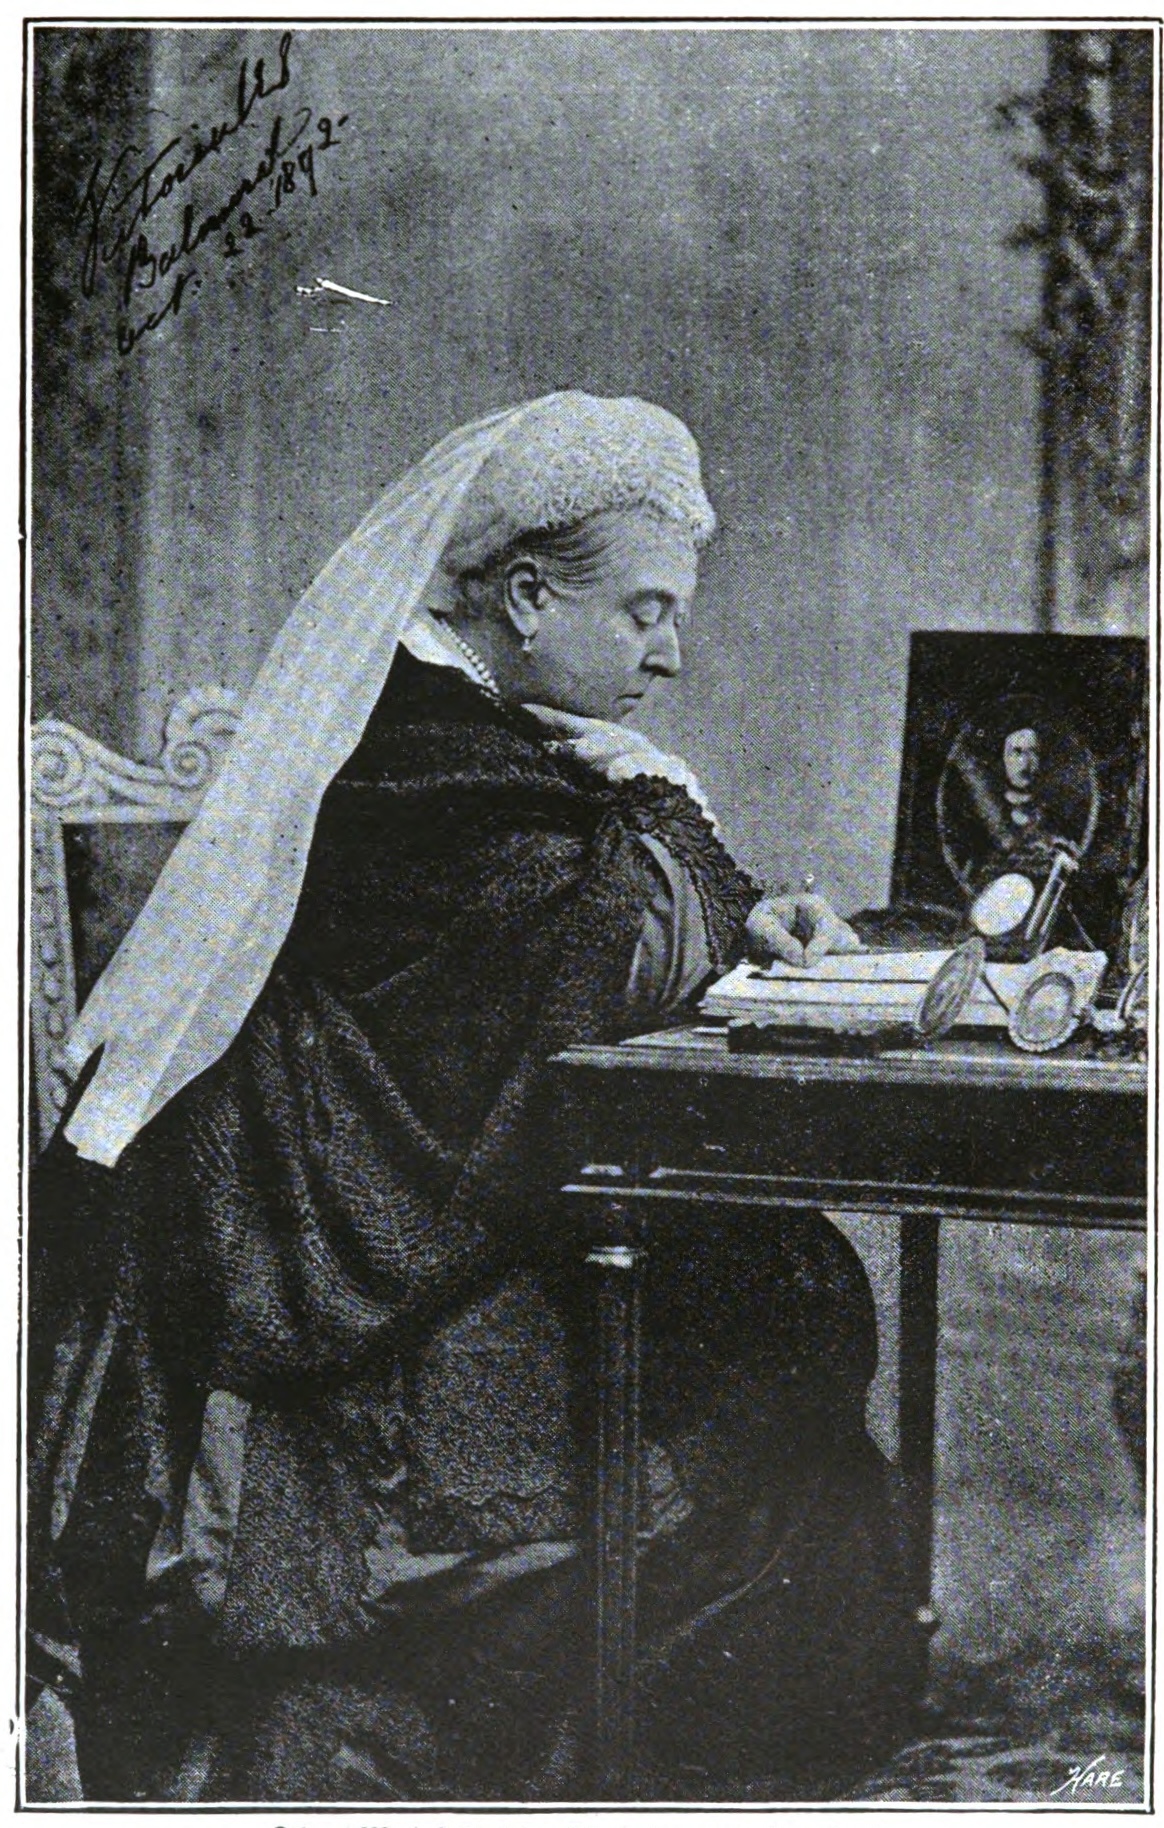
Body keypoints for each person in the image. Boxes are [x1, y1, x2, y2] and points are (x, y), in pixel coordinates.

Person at [29, 393, 915, 1803]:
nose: (672, 655)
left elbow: (628, 913)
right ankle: (617, 1766)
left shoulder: (505, 739)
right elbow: (607, 943)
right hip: (341, 1235)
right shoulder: (410, 749)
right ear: (520, 596)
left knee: (786, 1281)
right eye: (642, 613)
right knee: (766, 1318)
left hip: (436, 1188)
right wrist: (681, 857)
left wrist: (743, 909)